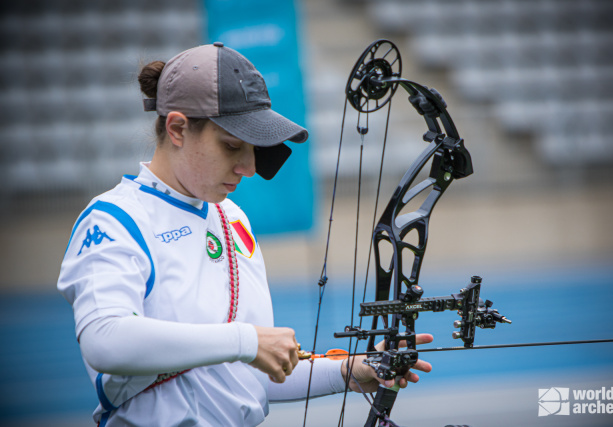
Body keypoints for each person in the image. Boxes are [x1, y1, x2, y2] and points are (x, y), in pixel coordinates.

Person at [57, 43, 432, 426]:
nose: (249, 167)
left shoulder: (231, 217)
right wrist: (246, 341)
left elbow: (245, 378)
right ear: (177, 128)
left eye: (253, 148)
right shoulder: (114, 220)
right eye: (232, 145)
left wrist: (349, 372)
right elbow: (104, 339)